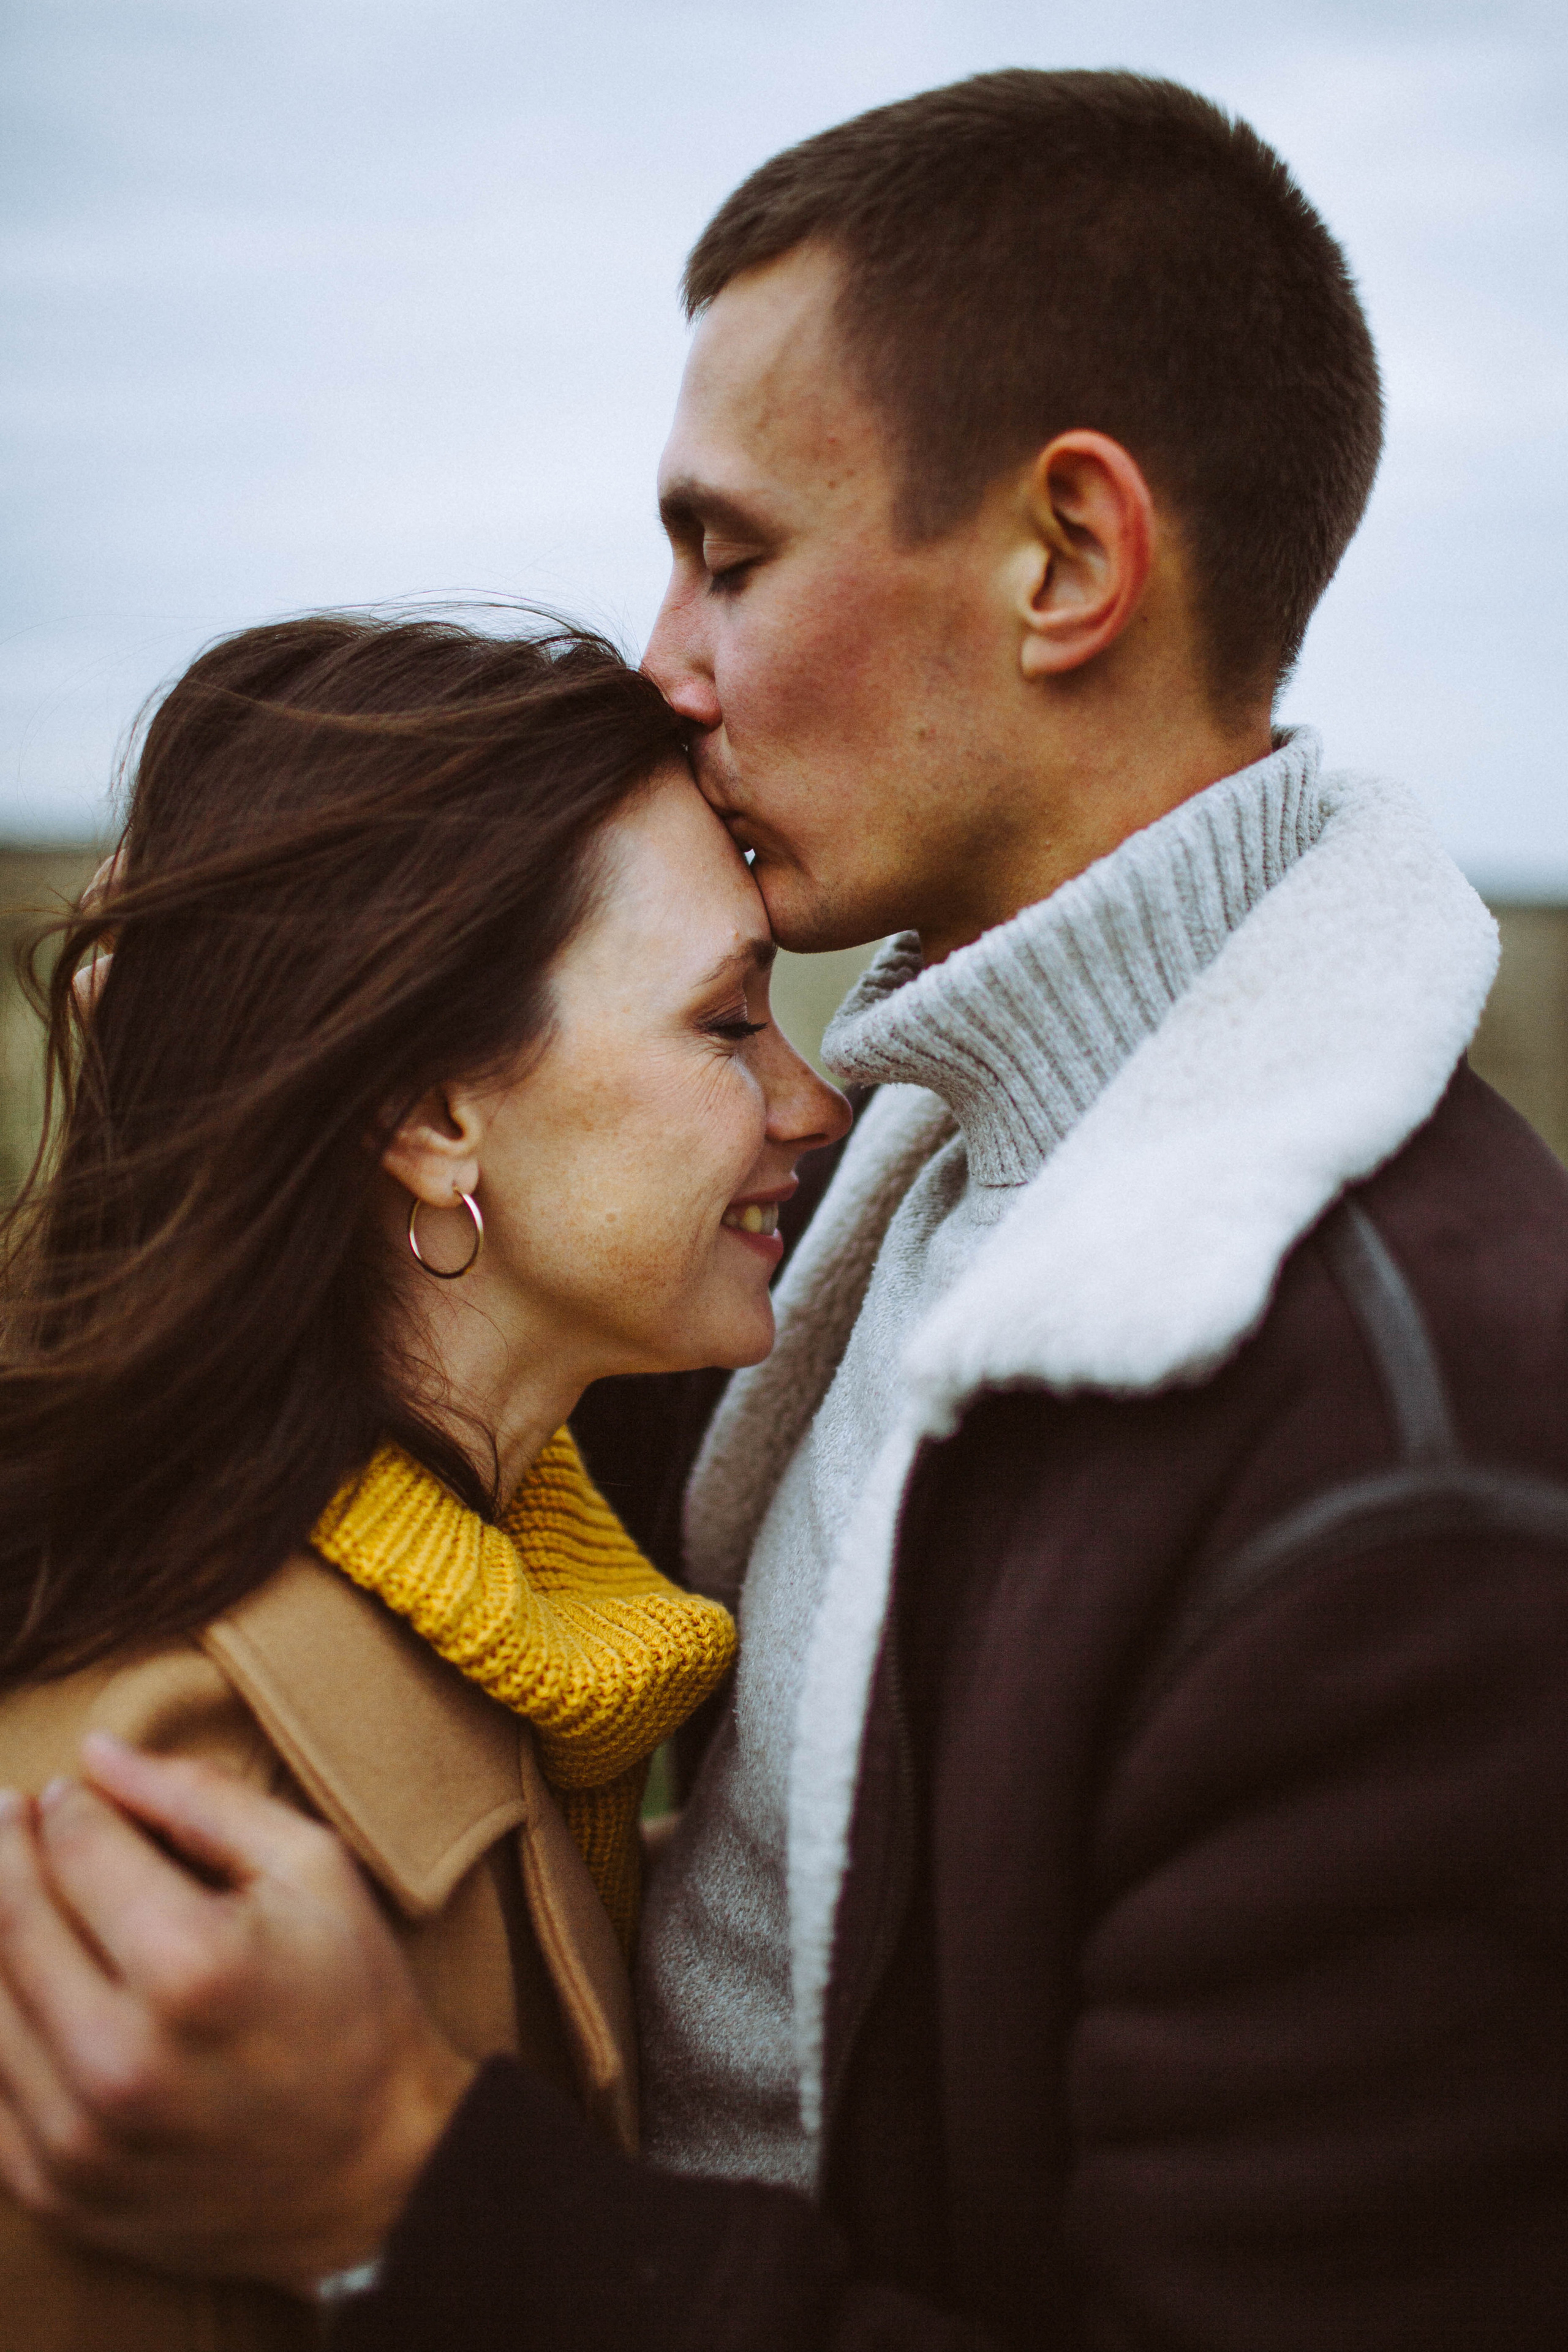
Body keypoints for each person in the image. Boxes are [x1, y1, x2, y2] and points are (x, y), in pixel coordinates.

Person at [3, 66, 1567, 2351]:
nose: (668, 655)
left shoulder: (1395, 1444)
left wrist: (415, 2203)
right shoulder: (912, 1188)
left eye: (731, 553)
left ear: (1067, 558)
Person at [0, 612, 846, 2345]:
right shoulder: (158, 1807)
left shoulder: (533, 1643)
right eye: (726, 1023)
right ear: (433, 1114)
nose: (811, 1100)